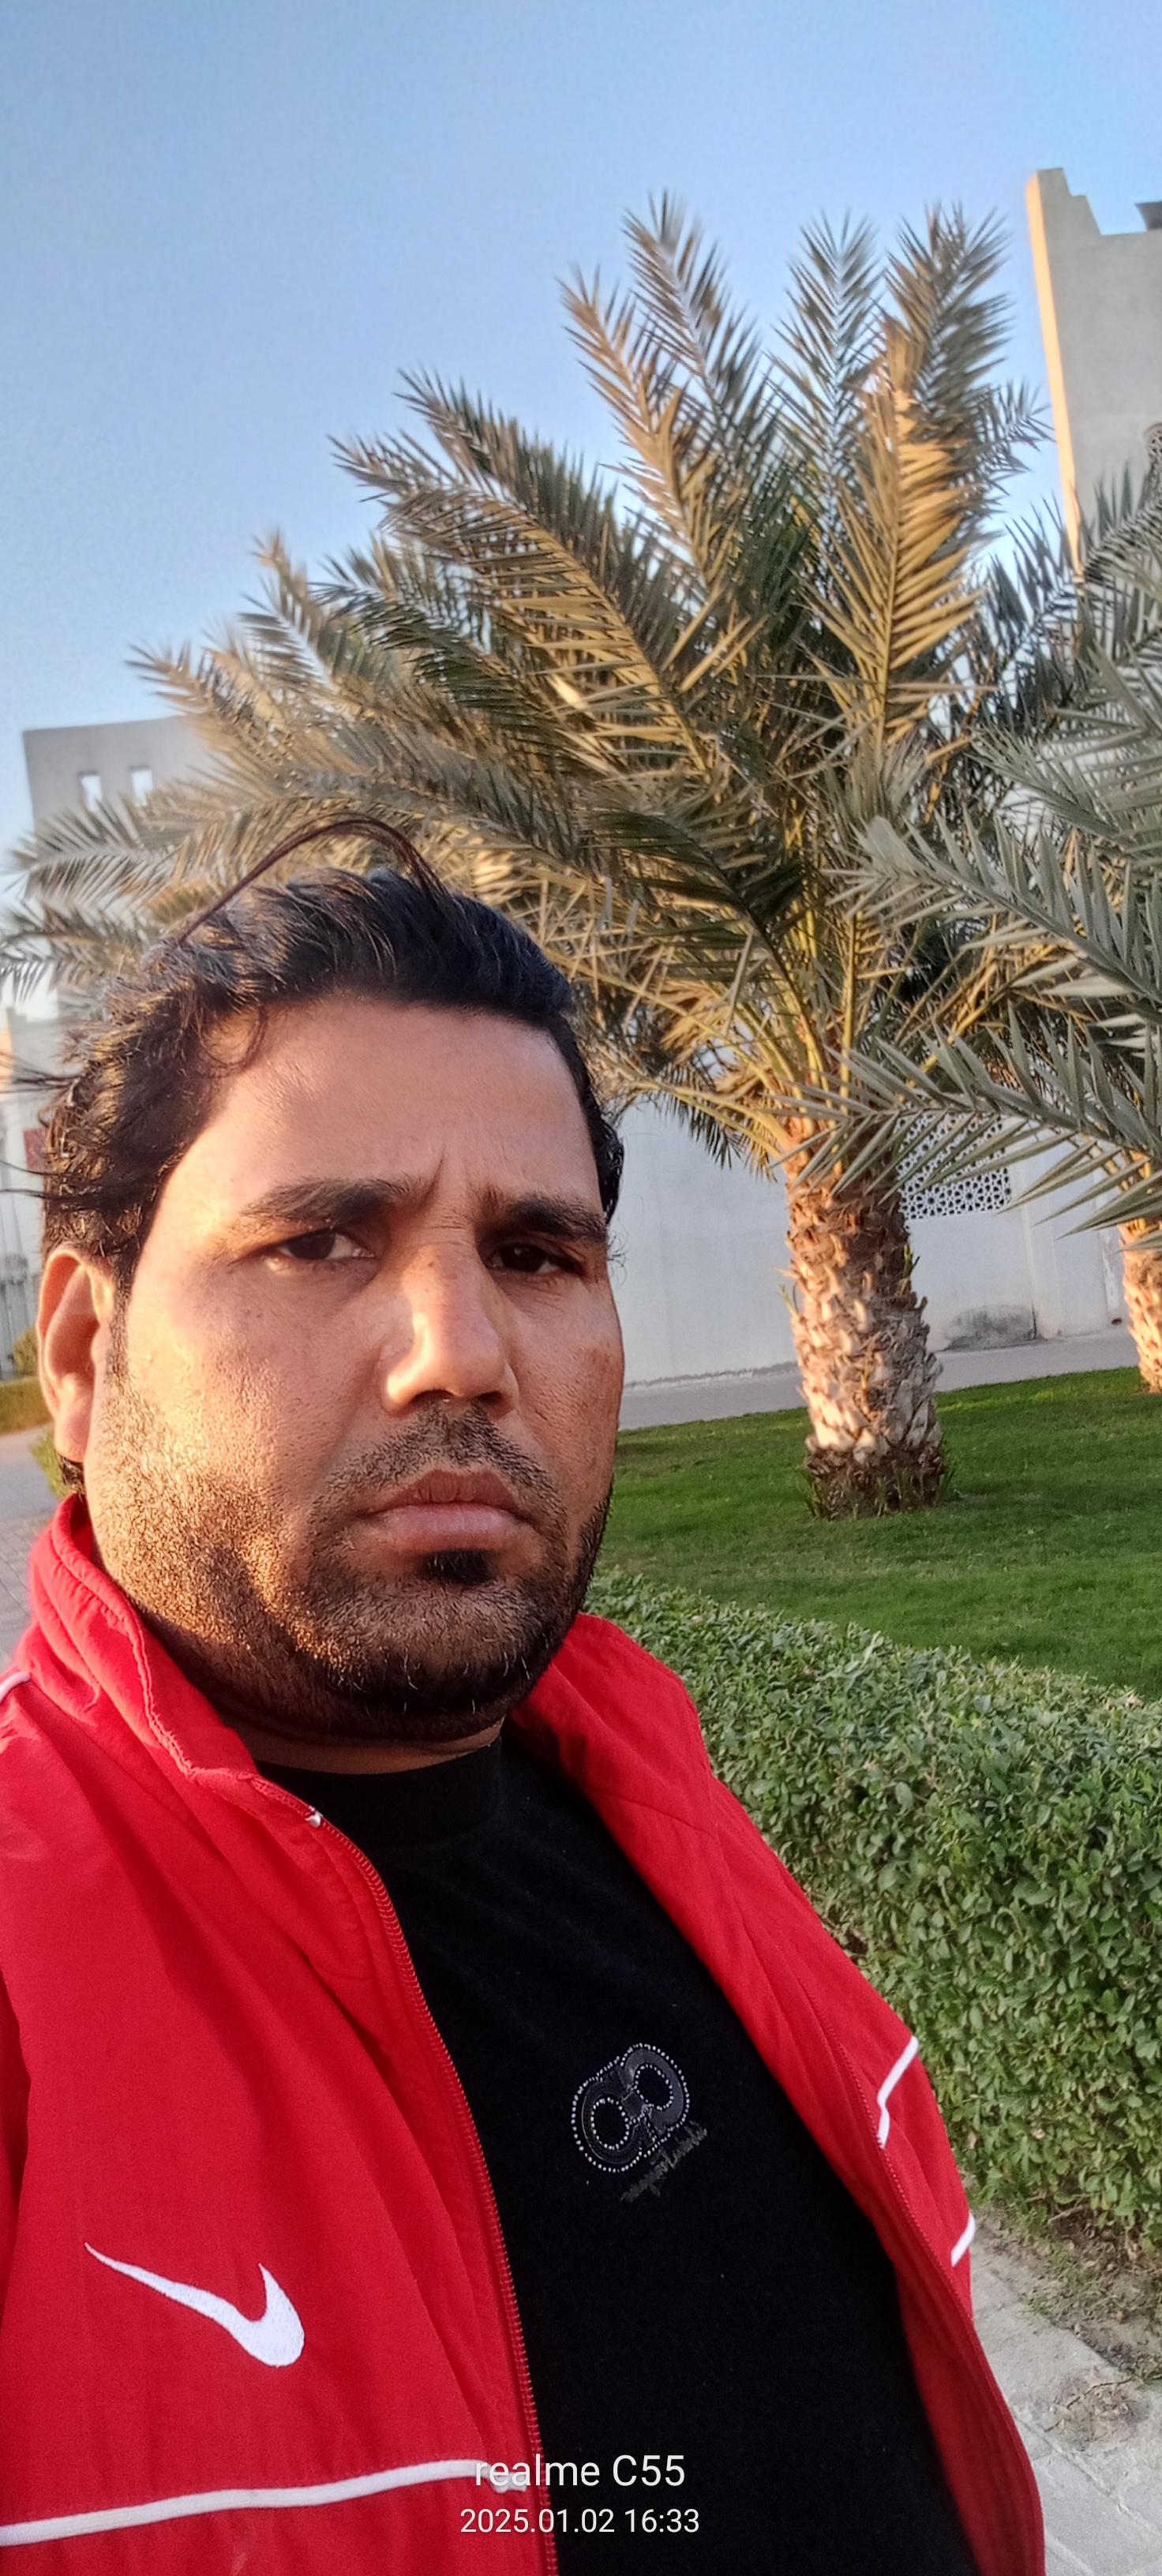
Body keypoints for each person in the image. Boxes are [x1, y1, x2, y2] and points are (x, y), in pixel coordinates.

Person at [0, 848, 1042, 2574]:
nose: (462, 1352)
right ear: (85, 1358)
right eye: (320, 1240)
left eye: (538, 1251)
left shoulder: (656, 1788)